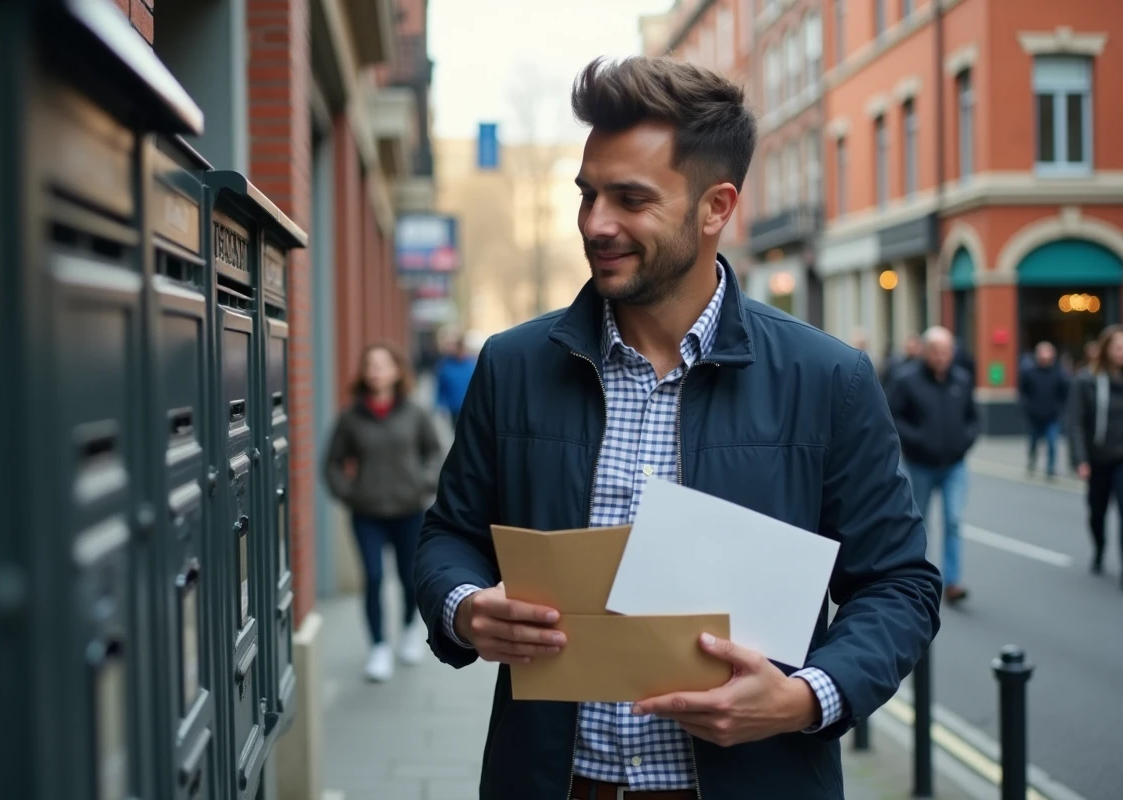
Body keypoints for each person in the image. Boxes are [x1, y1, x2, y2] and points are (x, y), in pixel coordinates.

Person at [414, 56, 941, 800]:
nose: (596, 224)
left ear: (715, 207)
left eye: (631, 199)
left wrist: (805, 697)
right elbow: (447, 535)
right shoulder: (512, 364)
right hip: (555, 783)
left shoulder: (828, 380)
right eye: (588, 195)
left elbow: (898, 584)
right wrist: (465, 608)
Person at [324, 342, 443, 682]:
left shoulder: (415, 413)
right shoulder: (350, 417)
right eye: (370, 365)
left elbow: (435, 454)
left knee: (408, 579)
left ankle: (408, 630)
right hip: (367, 514)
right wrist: (350, 494)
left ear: (395, 371)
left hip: (409, 512)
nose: (376, 370)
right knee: (374, 578)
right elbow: (331, 463)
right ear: (363, 373)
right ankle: (378, 647)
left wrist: (422, 484)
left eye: (382, 364)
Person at [886, 326, 979, 603]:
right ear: (926, 351)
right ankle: (918, 579)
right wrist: (918, 440)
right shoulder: (906, 380)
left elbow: (973, 418)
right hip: (920, 465)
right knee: (919, 523)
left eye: (947, 351)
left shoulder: (961, 380)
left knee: (954, 521)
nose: (942, 357)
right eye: (937, 352)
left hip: (955, 464)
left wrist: (965, 440)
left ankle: (953, 582)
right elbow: (892, 415)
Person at [1066, 325, 1123, 581]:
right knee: (1097, 511)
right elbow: (1075, 422)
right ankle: (1099, 547)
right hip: (1098, 457)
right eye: (1118, 347)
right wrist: (1080, 459)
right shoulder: (1086, 380)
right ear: (1106, 350)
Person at [1018, 341, 1069, 478]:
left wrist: (1058, 409)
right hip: (1034, 415)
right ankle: (1032, 461)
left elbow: (1064, 394)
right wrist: (1028, 407)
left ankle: (1050, 468)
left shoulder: (1059, 374)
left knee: (1052, 442)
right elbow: (1023, 392)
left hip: (1052, 416)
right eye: (1042, 352)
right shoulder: (1030, 373)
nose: (1045, 356)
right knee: (1033, 442)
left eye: (1048, 352)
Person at [433, 329, 481, 428]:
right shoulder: (444, 365)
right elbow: (440, 387)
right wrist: (439, 404)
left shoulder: (472, 364)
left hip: (470, 407)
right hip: (454, 407)